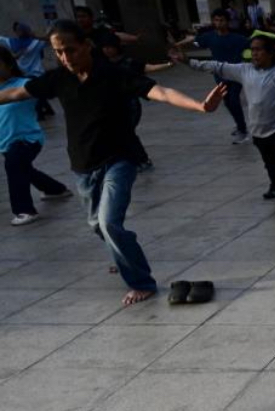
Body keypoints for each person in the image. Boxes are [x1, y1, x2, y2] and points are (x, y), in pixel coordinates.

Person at [0, 20, 224, 306]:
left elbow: (161, 92)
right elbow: (16, 93)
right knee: (97, 224)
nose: (65, 57)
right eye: (58, 52)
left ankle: (141, 282)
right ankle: (123, 254)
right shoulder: (58, 78)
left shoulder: (114, 74)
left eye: (70, 49)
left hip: (119, 160)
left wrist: (200, 106)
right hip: (82, 165)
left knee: (108, 222)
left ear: (86, 45)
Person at [171, 34, 275, 202]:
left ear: (270, 53)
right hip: (258, 131)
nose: (255, 54)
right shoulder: (244, 70)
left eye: (259, 50)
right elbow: (216, 66)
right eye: (252, 50)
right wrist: (188, 61)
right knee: (269, 163)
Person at [0, 46, 70, 226]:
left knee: (14, 166)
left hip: (27, 139)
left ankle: (24, 210)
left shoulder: (24, 84)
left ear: (9, 65)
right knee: (23, 169)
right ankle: (56, 190)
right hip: (5, 142)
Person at [96, 34, 172, 172]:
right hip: (111, 105)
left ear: (116, 47)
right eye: (104, 47)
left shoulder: (128, 63)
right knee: (119, 133)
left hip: (129, 104)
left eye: (109, 47)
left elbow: (147, 68)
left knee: (127, 132)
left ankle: (142, 160)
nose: (106, 50)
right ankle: (128, 159)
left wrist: (168, 64)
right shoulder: (101, 64)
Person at [174, 9, 252, 143]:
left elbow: (254, 45)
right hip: (219, 75)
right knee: (227, 102)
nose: (219, 23)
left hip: (236, 74)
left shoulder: (238, 38)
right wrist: (179, 45)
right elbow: (194, 40)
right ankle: (239, 124)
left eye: (222, 20)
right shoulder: (209, 37)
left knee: (234, 101)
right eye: (216, 20)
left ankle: (243, 130)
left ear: (227, 22)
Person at [1, 23, 54, 120]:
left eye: (22, 29)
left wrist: (36, 36)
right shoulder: (13, 43)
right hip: (24, 74)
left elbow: (51, 40)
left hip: (36, 73)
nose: (20, 32)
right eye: (18, 30)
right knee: (35, 93)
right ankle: (47, 110)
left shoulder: (36, 43)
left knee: (34, 93)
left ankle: (40, 114)